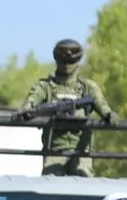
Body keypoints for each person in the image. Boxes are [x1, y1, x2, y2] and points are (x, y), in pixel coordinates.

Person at [17, 39, 119, 177]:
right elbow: (30, 103)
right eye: (63, 57)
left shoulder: (88, 87)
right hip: (54, 149)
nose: (67, 61)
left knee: (83, 180)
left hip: (81, 150)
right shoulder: (44, 86)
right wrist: (25, 112)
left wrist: (109, 115)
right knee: (50, 182)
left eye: (71, 58)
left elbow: (103, 108)